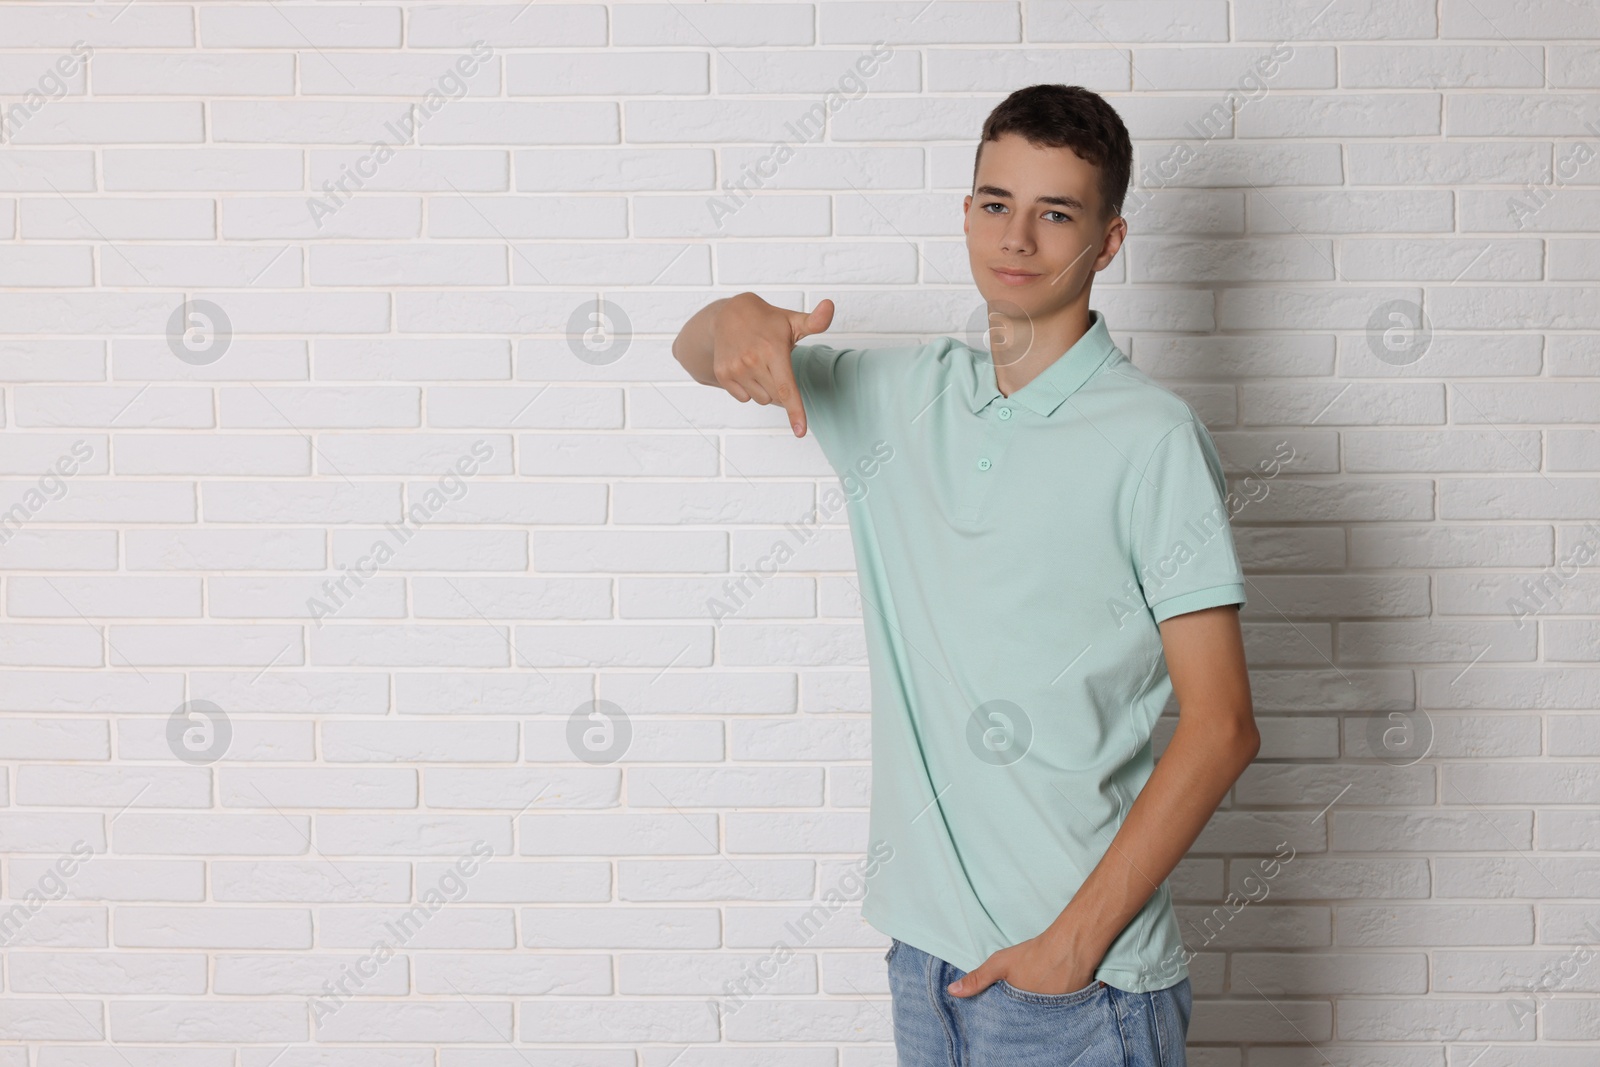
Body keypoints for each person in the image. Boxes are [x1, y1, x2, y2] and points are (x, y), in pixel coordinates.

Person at [671, 83, 1258, 1067]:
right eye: (995, 203)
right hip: (926, 964)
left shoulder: (1151, 438)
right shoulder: (900, 398)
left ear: (1107, 241)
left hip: (1080, 985)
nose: (1017, 237)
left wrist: (1068, 948)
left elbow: (1223, 724)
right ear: (965, 214)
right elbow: (699, 351)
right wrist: (731, 314)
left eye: (1055, 212)